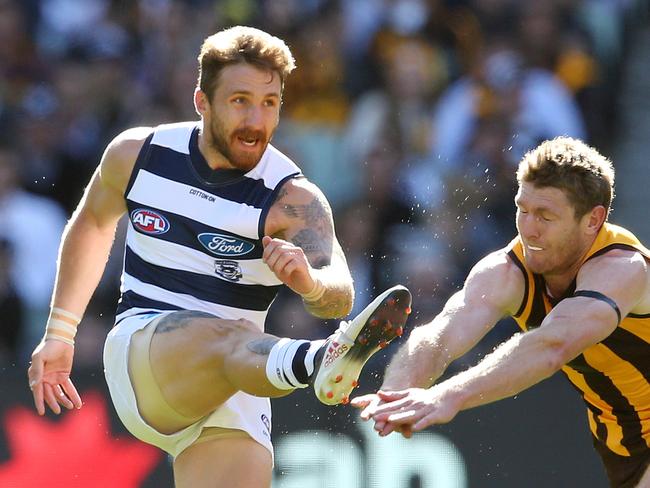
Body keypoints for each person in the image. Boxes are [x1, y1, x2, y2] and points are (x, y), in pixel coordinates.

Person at [26, 26, 412, 488]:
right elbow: (91, 222)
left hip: (242, 379)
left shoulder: (292, 199)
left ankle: (318, 358)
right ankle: (317, 359)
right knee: (225, 332)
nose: (256, 119)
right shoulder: (139, 154)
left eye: (269, 103)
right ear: (201, 102)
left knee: (235, 340)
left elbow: (340, 294)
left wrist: (310, 283)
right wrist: (60, 332)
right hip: (146, 354)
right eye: (240, 100)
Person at [353, 136, 650, 488]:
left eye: (546, 216)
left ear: (593, 220)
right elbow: (439, 336)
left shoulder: (624, 268)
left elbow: (552, 345)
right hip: (624, 447)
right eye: (522, 209)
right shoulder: (506, 271)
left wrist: (446, 396)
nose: (528, 228)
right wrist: (396, 394)